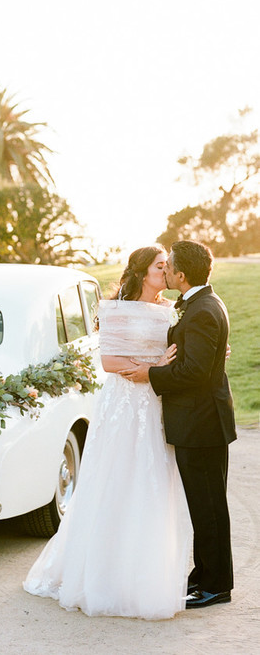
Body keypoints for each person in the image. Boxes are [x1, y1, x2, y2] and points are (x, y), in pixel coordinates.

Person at [24, 245, 192, 620]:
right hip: (123, 404)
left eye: (167, 266)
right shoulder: (116, 309)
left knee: (151, 481)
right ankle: (99, 574)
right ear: (141, 272)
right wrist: (154, 364)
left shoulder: (171, 310)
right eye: (159, 266)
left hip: (156, 403)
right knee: (114, 479)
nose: (166, 272)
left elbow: (184, 350)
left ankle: (144, 573)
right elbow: (109, 361)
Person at [123, 240, 236, 609]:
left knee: (208, 507)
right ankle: (203, 577)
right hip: (200, 422)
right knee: (205, 506)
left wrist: (149, 375)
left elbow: (195, 372)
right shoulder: (198, 305)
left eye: (168, 265)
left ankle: (216, 586)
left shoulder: (202, 309)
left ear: (181, 274)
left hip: (201, 424)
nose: (166, 270)